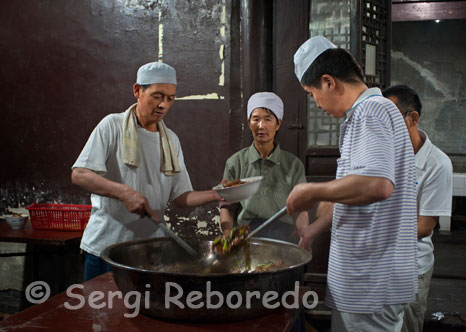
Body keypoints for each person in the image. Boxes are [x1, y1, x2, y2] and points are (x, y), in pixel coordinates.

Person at [286, 36, 418, 331]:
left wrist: (311, 190)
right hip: (366, 280)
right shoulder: (366, 114)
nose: (316, 103)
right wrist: (312, 231)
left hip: (371, 280)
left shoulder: (372, 112)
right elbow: (355, 191)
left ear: (329, 82)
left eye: (311, 94)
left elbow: (377, 185)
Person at [72, 62, 221, 281]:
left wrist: (218, 193)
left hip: (148, 251)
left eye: (170, 99)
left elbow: (181, 196)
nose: (163, 104)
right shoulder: (112, 126)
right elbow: (79, 174)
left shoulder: (171, 140)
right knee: (100, 313)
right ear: (137, 91)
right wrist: (124, 193)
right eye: (157, 95)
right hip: (106, 248)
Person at [383, 85, 453, 332]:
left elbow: (424, 226)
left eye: (391, 118)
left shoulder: (437, 164)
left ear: (412, 118)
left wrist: (378, 233)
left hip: (411, 267)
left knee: (407, 325)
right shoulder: (384, 155)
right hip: (379, 263)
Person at [220, 92, 309, 246]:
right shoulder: (236, 162)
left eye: (268, 119)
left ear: (278, 124)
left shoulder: (293, 165)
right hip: (246, 233)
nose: (261, 126)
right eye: (255, 119)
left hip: (283, 233)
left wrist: (304, 234)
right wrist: (227, 233)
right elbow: (227, 205)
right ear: (249, 123)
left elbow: (301, 208)